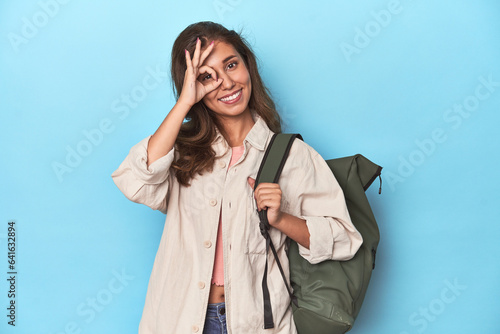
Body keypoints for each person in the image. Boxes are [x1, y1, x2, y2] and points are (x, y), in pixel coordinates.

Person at [111, 21, 363, 334]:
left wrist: (281, 219)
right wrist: (184, 103)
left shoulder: (291, 156)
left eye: (232, 65)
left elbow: (345, 239)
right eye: (207, 76)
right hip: (178, 317)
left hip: (254, 323)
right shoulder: (182, 150)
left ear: (248, 66)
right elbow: (135, 180)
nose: (227, 83)